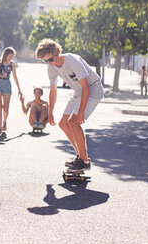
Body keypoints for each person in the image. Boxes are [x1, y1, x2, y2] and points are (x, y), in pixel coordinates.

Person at [35, 39, 104, 171]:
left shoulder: (72, 60)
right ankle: (81, 156)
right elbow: (53, 90)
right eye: (45, 61)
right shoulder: (52, 69)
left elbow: (86, 88)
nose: (49, 64)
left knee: (74, 122)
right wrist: (50, 113)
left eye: (50, 60)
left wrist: (81, 112)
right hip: (79, 91)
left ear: (56, 53)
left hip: (93, 89)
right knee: (63, 123)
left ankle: (84, 161)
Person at [0, 47, 23, 134]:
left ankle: (4, 122)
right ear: (6, 54)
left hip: (7, 84)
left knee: (6, 108)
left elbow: (15, 77)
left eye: (12, 56)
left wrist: (19, 90)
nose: (11, 58)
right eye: (10, 56)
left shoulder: (12, 64)